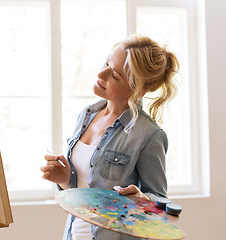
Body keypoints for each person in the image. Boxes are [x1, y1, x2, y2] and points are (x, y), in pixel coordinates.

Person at [40, 35, 179, 240]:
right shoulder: (86, 115)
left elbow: (159, 201)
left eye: (114, 74)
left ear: (138, 91)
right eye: (107, 62)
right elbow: (89, 191)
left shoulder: (149, 135)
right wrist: (65, 181)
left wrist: (142, 199)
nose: (101, 73)